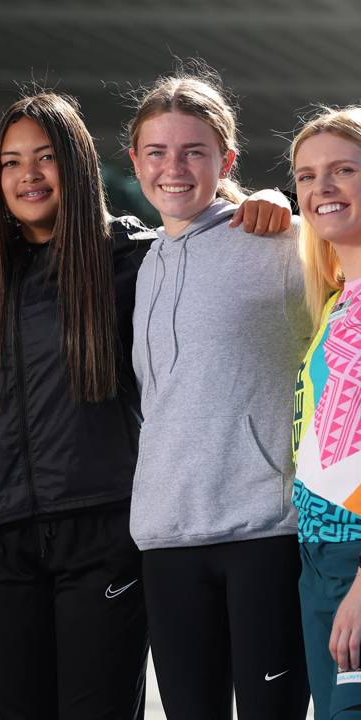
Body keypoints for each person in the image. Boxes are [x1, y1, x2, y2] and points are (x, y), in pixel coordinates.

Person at [0, 90, 292, 720]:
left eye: (45, 157)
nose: (28, 175)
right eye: (11, 161)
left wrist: (265, 201)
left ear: (78, 165)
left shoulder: (127, 257)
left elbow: (198, 237)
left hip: (99, 535)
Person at [127, 71, 311, 719]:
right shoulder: (141, 264)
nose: (172, 168)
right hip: (165, 541)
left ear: (226, 160)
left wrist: (288, 199)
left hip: (265, 533)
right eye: (157, 151)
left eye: (193, 151)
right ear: (134, 161)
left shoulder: (279, 242)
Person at [291, 106, 361, 720]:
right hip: (317, 559)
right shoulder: (338, 298)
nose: (323, 189)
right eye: (308, 175)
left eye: (343, 169)